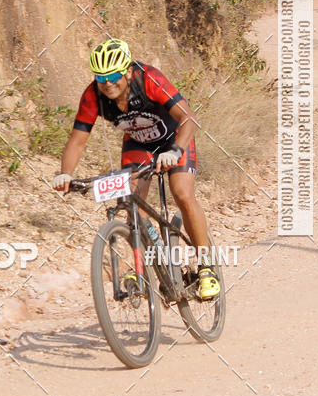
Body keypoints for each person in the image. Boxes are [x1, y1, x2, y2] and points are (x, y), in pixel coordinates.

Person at [52, 38, 220, 300]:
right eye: (101, 77)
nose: (108, 83)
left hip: (174, 138)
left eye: (115, 75)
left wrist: (175, 150)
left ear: (128, 72)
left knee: (182, 194)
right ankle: (141, 268)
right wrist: (66, 173)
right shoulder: (92, 95)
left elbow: (188, 118)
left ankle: (207, 267)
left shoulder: (149, 79)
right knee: (131, 201)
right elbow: (78, 139)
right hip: (138, 143)